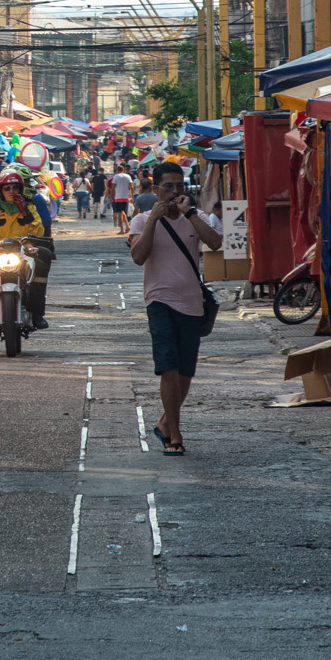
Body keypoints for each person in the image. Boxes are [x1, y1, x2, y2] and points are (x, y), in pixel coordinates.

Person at [128, 161, 222, 456]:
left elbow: (216, 243)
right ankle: (176, 434)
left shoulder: (196, 216)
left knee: (185, 372)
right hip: (159, 300)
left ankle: (165, 422)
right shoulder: (142, 221)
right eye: (168, 187)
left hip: (192, 302)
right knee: (168, 367)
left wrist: (190, 212)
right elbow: (138, 257)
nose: (174, 192)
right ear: (154, 189)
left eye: (180, 186)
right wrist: (155, 220)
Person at [0, 166, 53, 331]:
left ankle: (38, 313)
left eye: (16, 187)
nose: (12, 191)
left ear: (21, 189)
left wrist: (25, 212)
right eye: (7, 188)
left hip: (23, 249)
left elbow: (38, 230)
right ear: (1, 189)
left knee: (45, 256)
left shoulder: (28, 206)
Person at [109, 165, 134, 229]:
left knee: (120, 213)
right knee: (123, 212)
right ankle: (124, 227)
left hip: (118, 197)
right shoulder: (128, 176)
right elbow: (131, 186)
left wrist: (111, 197)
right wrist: (131, 196)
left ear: (117, 170)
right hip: (126, 197)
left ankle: (124, 227)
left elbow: (113, 187)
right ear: (123, 170)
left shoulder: (116, 177)